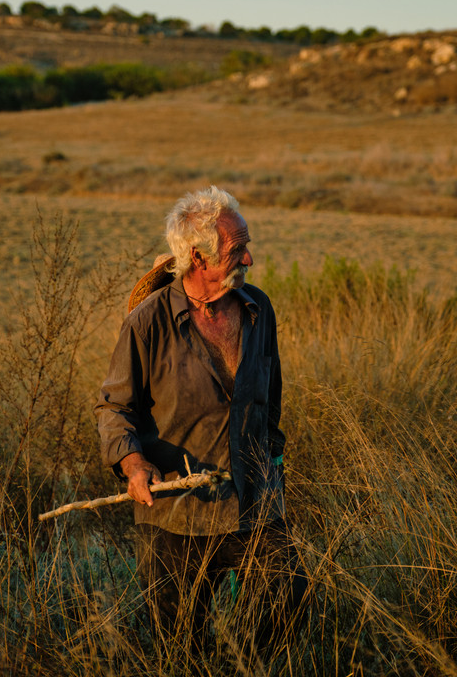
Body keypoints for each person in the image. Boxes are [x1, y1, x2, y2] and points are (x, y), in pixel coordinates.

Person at [95, 186, 308, 659]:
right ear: (198, 257)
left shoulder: (258, 310)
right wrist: (133, 464)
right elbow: (114, 408)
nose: (249, 258)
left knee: (287, 596)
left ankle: (245, 666)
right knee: (180, 641)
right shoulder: (148, 323)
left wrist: (271, 459)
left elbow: (270, 397)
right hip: (176, 512)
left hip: (254, 502)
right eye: (238, 249)